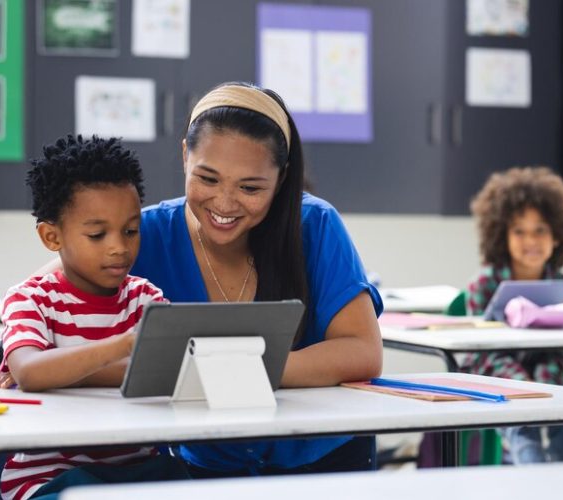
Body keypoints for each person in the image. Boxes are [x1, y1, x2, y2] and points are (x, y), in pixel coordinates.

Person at [130, 82, 384, 476]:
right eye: (208, 179)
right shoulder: (145, 234)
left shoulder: (315, 225)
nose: (225, 203)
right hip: (204, 466)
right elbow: (46, 287)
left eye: (250, 187)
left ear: (281, 179)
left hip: (323, 459)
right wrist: (25, 349)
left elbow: (362, 351)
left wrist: (235, 372)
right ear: (185, 156)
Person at [0, 135, 188, 500]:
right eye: (97, 234)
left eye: (131, 230)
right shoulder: (31, 299)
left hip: (136, 474)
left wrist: (67, 372)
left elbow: (171, 372)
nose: (119, 246)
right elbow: (32, 372)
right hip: (49, 478)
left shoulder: (146, 297)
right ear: (52, 236)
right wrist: (127, 347)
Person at [460, 166, 563, 463]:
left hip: (546, 383)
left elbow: (557, 355)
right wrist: (524, 387)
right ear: (501, 235)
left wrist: (544, 390)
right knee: (523, 425)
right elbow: (483, 355)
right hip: (495, 385)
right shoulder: (484, 285)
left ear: (557, 235)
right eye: (519, 231)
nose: (530, 240)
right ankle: (536, 485)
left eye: (540, 230)